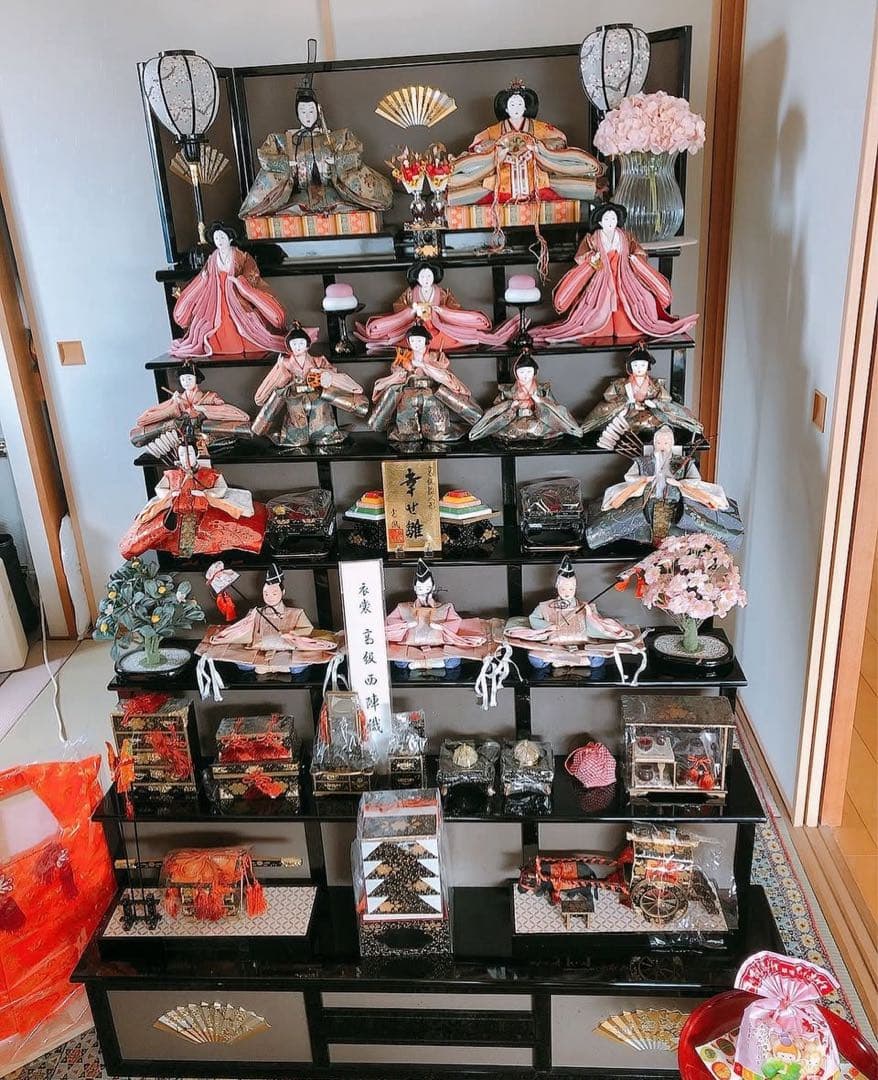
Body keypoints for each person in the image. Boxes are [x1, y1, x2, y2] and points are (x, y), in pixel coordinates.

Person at [531, 203, 699, 344]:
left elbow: (637, 251)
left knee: (629, 306)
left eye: (613, 219)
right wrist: (593, 259)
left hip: (623, 276)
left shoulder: (625, 236)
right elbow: (583, 256)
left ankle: (627, 326)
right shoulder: (593, 238)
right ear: (600, 222)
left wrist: (634, 259)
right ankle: (601, 327)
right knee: (598, 306)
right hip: (602, 277)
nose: (610, 222)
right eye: (606, 219)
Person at [239, 85, 392, 218]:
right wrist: (286, 164)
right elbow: (266, 158)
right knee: (289, 214)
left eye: (311, 111)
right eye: (303, 111)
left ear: (318, 111)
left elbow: (354, 154)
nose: (308, 116)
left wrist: (338, 161)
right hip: (299, 198)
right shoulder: (283, 141)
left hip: (333, 197)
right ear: (297, 113)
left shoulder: (337, 138)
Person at [447, 80, 604, 208]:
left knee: (559, 184)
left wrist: (539, 148)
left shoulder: (540, 127)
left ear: (525, 106)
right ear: (506, 108)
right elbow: (477, 145)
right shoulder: (494, 130)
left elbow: (559, 139)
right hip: (503, 177)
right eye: (512, 105)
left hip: (534, 175)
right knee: (476, 187)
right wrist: (496, 150)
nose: (516, 108)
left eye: (519, 104)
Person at [585, 425, 743, 550]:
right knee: (624, 523)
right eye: (659, 443)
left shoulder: (683, 461)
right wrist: (643, 480)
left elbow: (695, 480)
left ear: (672, 444)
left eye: (666, 443)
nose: (662, 446)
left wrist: (680, 484)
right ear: (654, 443)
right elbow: (630, 477)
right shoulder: (643, 461)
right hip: (649, 503)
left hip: (675, 505)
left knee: (694, 525)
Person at [119, 440, 267, 559]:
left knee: (217, 532)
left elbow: (221, 488)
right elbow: (160, 489)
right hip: (179, 513)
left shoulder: (208, 473)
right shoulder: (173, 474)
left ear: (196, 454)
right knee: (167, 534)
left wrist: (206, 495)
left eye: (189, 454)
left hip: (203, 511)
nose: (186, 458)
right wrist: (171, 494)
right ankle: (182, 553)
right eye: (182, 455)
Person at [170, 223, 288, 358]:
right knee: (217, 321)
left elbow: (252, 273)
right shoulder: (212, 258)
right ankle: (221, 344)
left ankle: (246, 341)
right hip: (217, 295)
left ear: (230, 238)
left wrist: (241, 282)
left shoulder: (241, 256)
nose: (219, 241)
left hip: (236, 295)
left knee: (243, 322)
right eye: (216, 238)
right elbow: (205, 274)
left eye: (222, 237)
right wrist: (204, 278)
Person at [196, 564, 338, 675]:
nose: (270, 597)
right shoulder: (256, 612)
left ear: (283, 592)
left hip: (288, 651)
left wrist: (293, 635)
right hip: (259, 651)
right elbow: (244, 630)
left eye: (274, 593)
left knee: (298, 668)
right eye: (266, 593)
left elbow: (307, 629)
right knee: (243, 665)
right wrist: (243, 626)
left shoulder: (296, 613)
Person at [504, 556, 641, 669]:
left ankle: (565, 662)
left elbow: (598, 627)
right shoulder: (545, 606)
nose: (567, 592)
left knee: (598, 660)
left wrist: (590, 615)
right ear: (557, 587)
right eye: (563, 589)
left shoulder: (586, 606)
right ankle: (572, 661)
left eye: (570, 589)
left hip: (582, 646)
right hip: (554, 647)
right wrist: (547, 627)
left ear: (575, 588)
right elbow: (533, 618)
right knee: (535, 659)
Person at [356, 260, 518, 351]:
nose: (426, 279)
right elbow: (398, 306)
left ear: (434, 277)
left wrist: (442, 311)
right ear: (417, 278)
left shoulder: (443, 292)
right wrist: (411, 310)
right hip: (415, 328)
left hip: (439, 328)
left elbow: (454, 307)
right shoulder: (411, 293)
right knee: (401, 341)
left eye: (429, 276)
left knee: (454, 341)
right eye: (422, 276)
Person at [251, 324, 368, 446]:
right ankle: (295, 437)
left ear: (307, 345)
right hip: (294, 396)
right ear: (289, 346)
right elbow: (273, 382)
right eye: (294, 344)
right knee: (297, 435)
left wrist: (323, 375)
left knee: (321, 423)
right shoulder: (285, 363)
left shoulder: (318, 361)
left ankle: (324, 435)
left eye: (301, 343)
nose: (298, 347)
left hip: (316, 394)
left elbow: (332, 375)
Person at [368, 323, 482, 443]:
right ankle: (408, 432)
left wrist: (423, 365)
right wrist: (400, 374)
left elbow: (443, 376)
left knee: (436, 433)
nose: (416, 344)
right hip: (409, 393)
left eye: (419, 340)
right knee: (407, 433)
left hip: (431, 393)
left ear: (426, 341)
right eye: (412, 341)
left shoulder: (435, 356)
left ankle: (436, 431)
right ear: (408, 342)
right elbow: (396, 375)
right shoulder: (404, 357)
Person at [579, 343, 704, 447]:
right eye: (635, 365)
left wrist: (654, 403)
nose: (639, 368)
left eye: (643, 365)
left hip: (649, 414)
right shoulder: (620, 383)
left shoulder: (655, 384)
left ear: (648, 366)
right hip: (629, 413)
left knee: (658, 422)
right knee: (621, 421)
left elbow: (666, 398)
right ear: (630, 367)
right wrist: (624, 401)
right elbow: (608, 395)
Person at [385, 561, 494, 671]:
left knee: (453, 662)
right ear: (415, 588)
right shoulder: (402, 607)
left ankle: (421, 664)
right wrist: (405, 625)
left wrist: (442, 627)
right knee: (399, 662)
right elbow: (390, 623)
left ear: (433, 588)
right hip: (411, 649)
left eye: (427, 588)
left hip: (439, 649)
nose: (424, 593)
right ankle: (421, 663)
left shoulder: (445, 608)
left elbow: (456, 623)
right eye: (420, 589)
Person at [129, 360, 252, 450]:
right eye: (183, 380)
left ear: (196, 379)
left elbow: (225, 408)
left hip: (205, 435)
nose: (186, 383)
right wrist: (173, 405)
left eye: (189, 379)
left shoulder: (207, 397)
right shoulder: (177, 399)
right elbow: (147, 418)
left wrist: (204, 409)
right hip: (181, 438)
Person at [468, 352, 581, 442]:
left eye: (529, 372)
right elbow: (496, 407)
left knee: (540, 428)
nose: (525, 376)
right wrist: (510, 405)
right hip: (514, 420)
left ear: (535, 372)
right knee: (508, 430)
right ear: (516, 373)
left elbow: (554, 407)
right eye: (521, 372)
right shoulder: (506, 389)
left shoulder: (543, 389)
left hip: (537, 420)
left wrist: (540, 401)